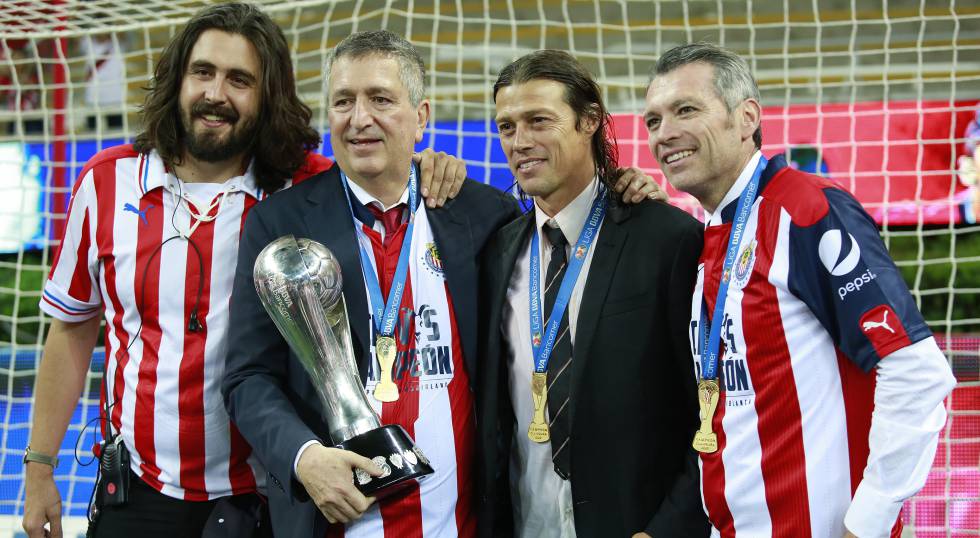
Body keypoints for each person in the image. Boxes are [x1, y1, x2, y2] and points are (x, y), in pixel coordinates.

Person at [22, 4, 468, 538]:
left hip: (262, 501)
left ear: (265, 96)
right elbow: (72, 328)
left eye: (240, 80)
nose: (216, 94)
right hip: (139, 495)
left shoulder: (304, 190)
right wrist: (39, 467)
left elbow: (382, 175)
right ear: (177, 78)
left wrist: (428, 164)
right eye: (203, 72)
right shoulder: (105, 183)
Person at [221, 31, 663, 538]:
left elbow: (570, 225)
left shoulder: (482, 215)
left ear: (422, 117)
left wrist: (623, 190)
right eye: (343, 101)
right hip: (334, 523)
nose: (359, 118)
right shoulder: (279, 225)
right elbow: (247, 377)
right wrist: (303, 457)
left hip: (466, 525)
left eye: (381, 99)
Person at [642, 42, 956, 538]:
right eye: (653, 121)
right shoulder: (708, 241)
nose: (665, 133)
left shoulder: (804, 208)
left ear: (747, 118)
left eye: (686, 110)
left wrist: (868, 524)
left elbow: (915, 372)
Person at [475, 49, 708, 538]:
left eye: (540, 120)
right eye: (506, 127)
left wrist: (667, 528)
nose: (520, 142)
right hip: (527, 522)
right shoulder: (495, 251)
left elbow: (713, 410)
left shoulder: (666, 238)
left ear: (590, 121)